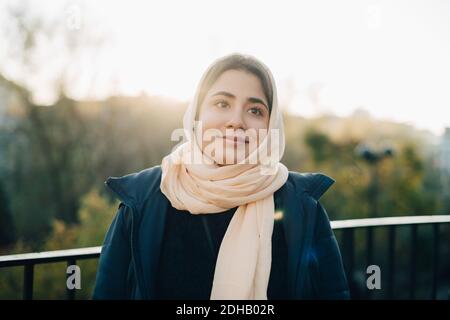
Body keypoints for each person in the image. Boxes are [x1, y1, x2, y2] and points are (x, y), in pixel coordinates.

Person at [93, 53, 349, 300]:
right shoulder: (144, 198)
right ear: (197, 115)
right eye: (222, 104)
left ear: (270, 125)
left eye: (255, 110)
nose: (236, 121)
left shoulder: (302, 207)